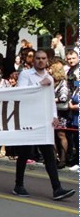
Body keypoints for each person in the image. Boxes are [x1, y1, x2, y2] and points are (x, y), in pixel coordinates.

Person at [12, 50, 75, 201]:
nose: (40, 61)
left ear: (47, 60)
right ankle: (18, 185)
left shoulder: (49, 77)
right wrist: (40, 85)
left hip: (43, 120)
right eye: (38, 58)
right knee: (25, 153)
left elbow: (49, 99)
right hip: (29, 120)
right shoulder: (26, 74)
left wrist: (54, 116)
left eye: (43, 59)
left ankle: (57, 188)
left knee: (49, 154)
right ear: (34, 60)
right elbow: (22, 94)